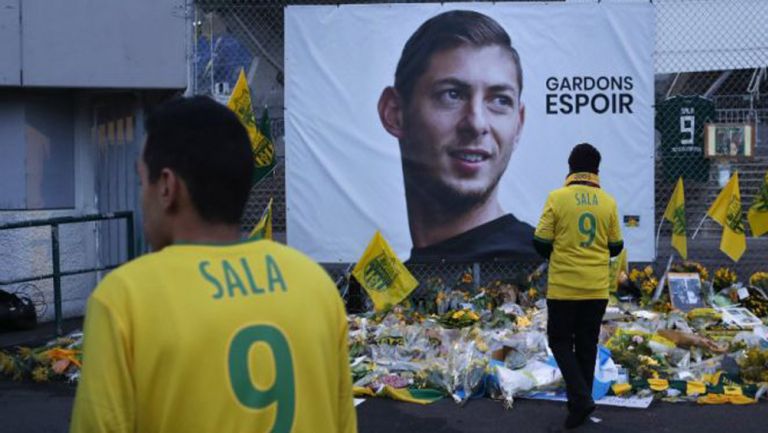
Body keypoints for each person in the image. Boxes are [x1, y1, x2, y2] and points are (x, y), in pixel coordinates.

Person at [70, 96, 357, 433]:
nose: (141, 195)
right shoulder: (315, 285)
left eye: (141, 181)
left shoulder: (124, 298)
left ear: (167, 187)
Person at [377, 10, 535, 262]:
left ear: (518, 124)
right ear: (394, 113)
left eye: (499, 100)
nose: (476, 123)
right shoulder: (393, 283)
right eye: (452, 94)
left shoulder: (545, 270)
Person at [532, 143, 623, 429]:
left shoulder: (557, 198)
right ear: (597, 170)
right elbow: (616, 246)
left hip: (564, 287)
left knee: (559, 341)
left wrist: (561, 254)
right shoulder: (607, 202)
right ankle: (577, 406)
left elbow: (541, 242)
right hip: (596, 289)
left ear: (570, 167)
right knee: (586, 345)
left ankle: (581, 400)